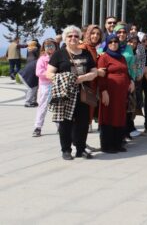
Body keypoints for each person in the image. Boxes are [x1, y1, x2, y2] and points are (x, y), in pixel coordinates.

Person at [46, 26, 98, 160]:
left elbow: (94, 71)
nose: (73, 38)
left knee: (83, 122)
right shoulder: (59, 54)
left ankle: (81, 149)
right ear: (65, 38)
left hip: (83, 92)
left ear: (79, 37)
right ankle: (66, 150)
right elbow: (48, 73)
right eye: (70, 36)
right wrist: (65, 78)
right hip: (65, 92)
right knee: (65, 122)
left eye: (75, 36)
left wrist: (83, 78)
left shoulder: (85, 53)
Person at [97, 34, 134, 153]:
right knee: (108, 116)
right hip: (109, 93)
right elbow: (101, 77)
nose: (113, 44)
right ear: (107, 44)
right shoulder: (104, 57)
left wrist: (131, 81)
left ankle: (118, 143)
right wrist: (104, 91)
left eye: (116, 41)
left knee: (120, 116)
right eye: (111, 42)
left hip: (121, 94)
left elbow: (126, 72)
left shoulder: (122, 57)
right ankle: (107, 146)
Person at [32, 39, 57, 137]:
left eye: (52, 45)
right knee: (43, 107)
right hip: (45, 86)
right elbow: (38, 72)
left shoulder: (58, 57)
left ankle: (60, 126)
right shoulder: (42, 59)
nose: (50, 48)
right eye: (47, 46)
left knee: (58, 107)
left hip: (56, 84)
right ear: (44, 48)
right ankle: (38, 127)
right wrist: (50, 74)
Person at [20, 40, 39, 107]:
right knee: (32, 87)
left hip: (27, 68)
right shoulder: (35, 51)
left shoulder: (29, 51)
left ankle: (33, 101)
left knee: (34, 86)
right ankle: (28, 102)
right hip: (30, 71)